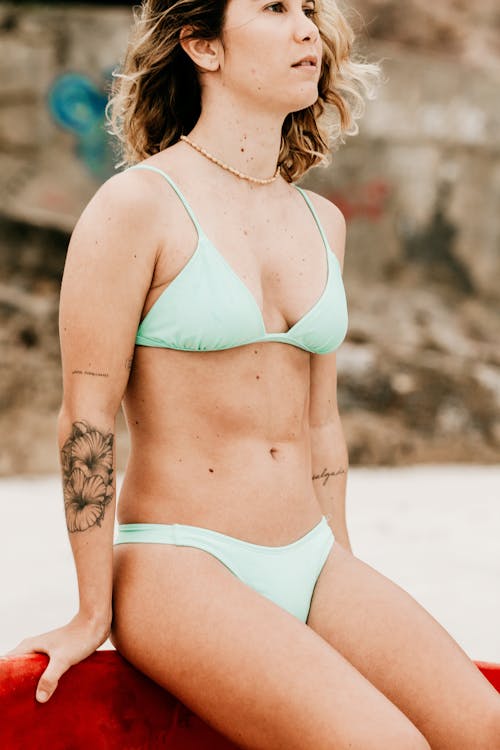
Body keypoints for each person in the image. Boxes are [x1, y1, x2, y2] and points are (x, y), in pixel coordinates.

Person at [6, 1, 500, 748]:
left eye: (309, 8)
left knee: (485, 728)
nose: (308, 28)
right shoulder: (138, 206)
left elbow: (320, 421)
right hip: (181, 566)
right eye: (274, 8)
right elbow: (87, 417)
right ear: (201, 44)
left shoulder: (322, 222)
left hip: (309, 553)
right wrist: (90, 608)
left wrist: (342, 567)